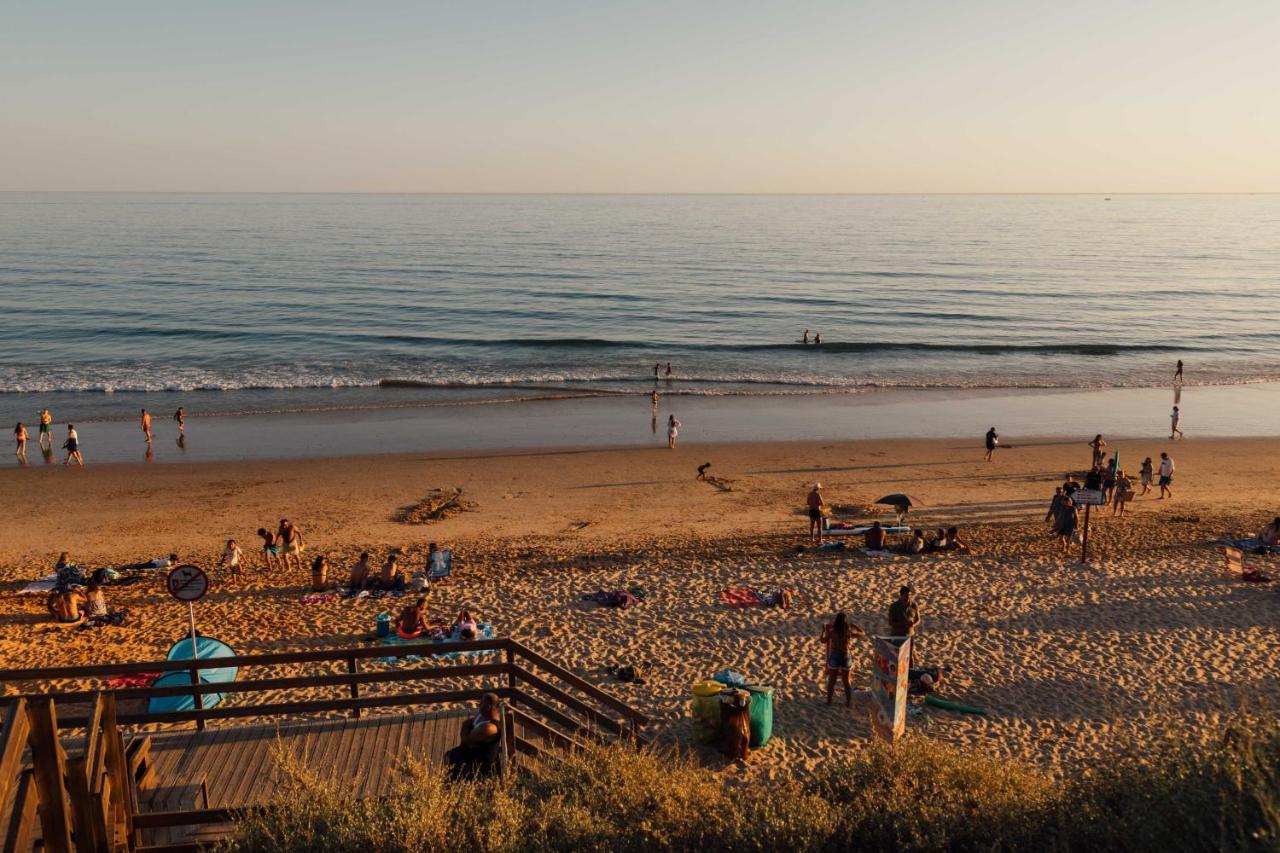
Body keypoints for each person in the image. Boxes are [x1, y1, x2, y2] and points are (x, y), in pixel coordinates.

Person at [446, 693, 502, 779]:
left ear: (488, 706)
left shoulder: (490, 727)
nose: (479, 705)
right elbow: (468, 726)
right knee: (449, 755)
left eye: (481, 703)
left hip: (479, 762)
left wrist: (466, 727)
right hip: (472, 752)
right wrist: (469, 730)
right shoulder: (483, 715)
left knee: (449, 757)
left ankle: (450, 785)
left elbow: (466, 739)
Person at [821, 612, 864, 707]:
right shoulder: (848, 632)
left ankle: (829, 701)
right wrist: (854, 626)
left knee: (832, 681)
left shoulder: (832, 632)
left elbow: (823, 640)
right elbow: (862, 633)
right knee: (846, 682)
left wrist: (823, 631)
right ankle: (848, 703)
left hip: (835, 657)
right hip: (845, 657)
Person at [888, 586, 920, 666]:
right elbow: (890, 622)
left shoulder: (914, 605)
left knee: (910, 656)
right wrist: (902, 624)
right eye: (906, 596)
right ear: (901, 595)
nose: (908, 598)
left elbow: (918, 619)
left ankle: (911, 673)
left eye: (909, 595)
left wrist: (913, 624)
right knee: (896, 657)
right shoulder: (894, 606)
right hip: (897, 635)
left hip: (910, 635)